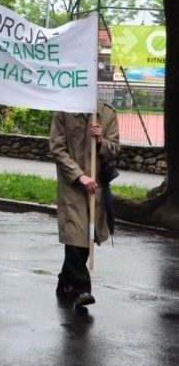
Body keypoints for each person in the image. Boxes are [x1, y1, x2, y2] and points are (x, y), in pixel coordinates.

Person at [50, 99, 120, 307]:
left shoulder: (107, 113)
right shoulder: (64, 111)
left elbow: (115, 149)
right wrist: (79, 176)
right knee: (75, 235)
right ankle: (82, 289)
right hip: (72, 186)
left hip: (96, 187)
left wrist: (101, 141)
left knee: (87, 238)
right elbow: (57, 148)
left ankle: (65, 281)